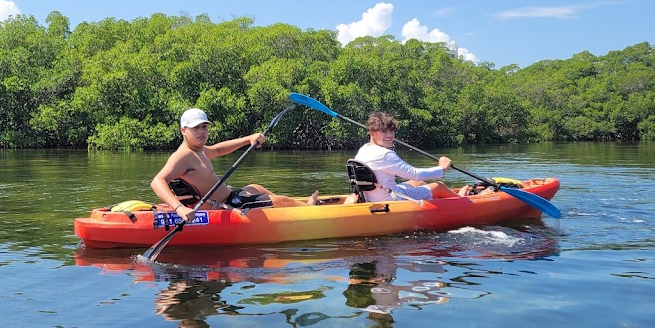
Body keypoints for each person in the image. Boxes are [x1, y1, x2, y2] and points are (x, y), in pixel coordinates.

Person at [151, 108, 319, 222]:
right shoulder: (183, 156)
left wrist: (248, 139)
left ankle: (281, 211)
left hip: (231, 197)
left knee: (255, 187)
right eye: (196, 128)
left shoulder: (197, 150)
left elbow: (218, 150)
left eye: (204, 127)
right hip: (227, 207)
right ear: (183, 130)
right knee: (282, 200)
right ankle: (307, 210)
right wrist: (179, 208)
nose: (202, 131)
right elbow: (158, 181)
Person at [353, 111, 469, 201]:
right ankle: (463, 200)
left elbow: (416, 179)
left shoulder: (363, 149)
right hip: (392, 199)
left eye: (392, 131)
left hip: (374, 196)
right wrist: (442, 168)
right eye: (384, 132)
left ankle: (439, 202)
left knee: (417, 184)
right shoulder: (385, 155)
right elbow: (416, 174)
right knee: (439, 186)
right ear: (372, 133)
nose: (389, 135)